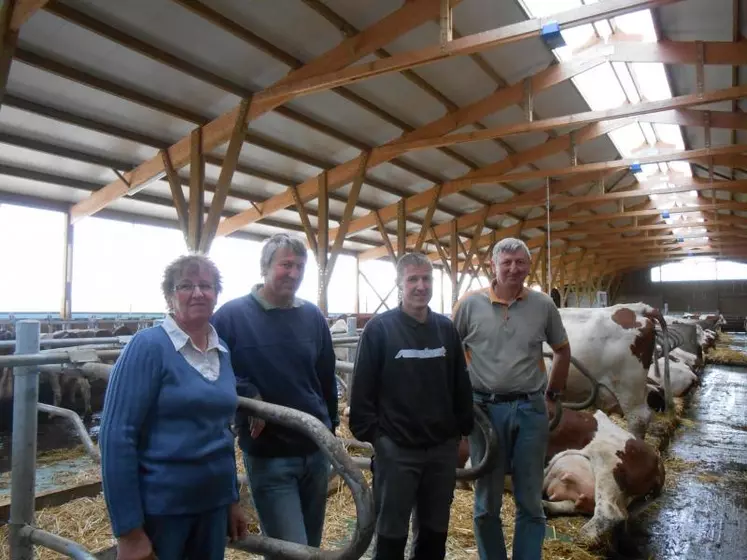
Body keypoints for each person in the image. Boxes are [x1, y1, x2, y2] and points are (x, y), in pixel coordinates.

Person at [100, 254, 247, 560]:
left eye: (206, 285)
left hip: (213, 507)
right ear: (169, 297)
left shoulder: (221, 351)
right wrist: (128, 532)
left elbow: (222, 431)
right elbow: (117, 437)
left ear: (216, 295)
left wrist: (231, 500)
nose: (197, 293)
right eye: (185, 285)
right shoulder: (148, 347)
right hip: (163, 511)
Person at [211, 233, 338, 554]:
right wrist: (248, 393)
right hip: (270, 456)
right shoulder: (231, 317)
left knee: (310, 547)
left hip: (315, 450)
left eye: (299, 266)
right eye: (285, 265)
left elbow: (325, 380)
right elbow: (212, 371)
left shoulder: (312, 317)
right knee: (291, 550)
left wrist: (331, 434)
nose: (293, 273)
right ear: (265, 267)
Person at [349, 252, 474, 560]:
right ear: (399, 284)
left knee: (435, 533)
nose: (420, 286)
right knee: (391, 532)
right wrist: (381, 440)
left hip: (441, 450)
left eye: (426, 279)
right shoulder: (379, 330)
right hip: (397, 451)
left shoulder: (445, 330)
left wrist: (460, 429)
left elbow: (460, 383)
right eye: (412, 279)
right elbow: (362, 393)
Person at [452, 238, 571, 560]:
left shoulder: (543, 304)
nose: (514, 269)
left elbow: (562, 351)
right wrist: (460, 400)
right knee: (486, 500)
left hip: (530, 408)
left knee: (530, 498)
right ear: (493, 265)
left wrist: (552, 396)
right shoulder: (469, 304)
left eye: (520, 262)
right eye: (507, 263)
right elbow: (450, 353)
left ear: (528, 265)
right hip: (484, 411)